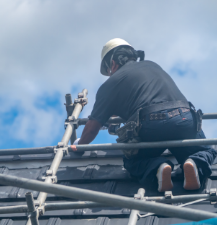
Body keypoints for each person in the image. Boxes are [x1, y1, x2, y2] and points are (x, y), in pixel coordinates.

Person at [72, 38, 217, 192]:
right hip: (183, 117)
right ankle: (194, 162)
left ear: (112, 64)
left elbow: (93, 127)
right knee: (204, 149)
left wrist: (80, 145)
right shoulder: (153, 66)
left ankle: (158, 168)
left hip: (150, 125)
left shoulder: (110, 84)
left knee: (133, 161)